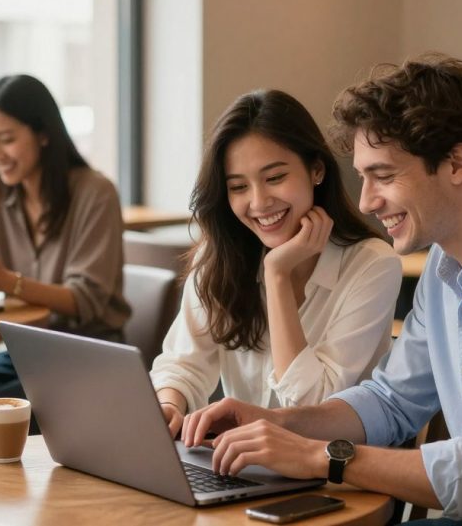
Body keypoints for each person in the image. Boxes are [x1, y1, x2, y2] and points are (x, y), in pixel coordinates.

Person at [181, 54, 462, 525]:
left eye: (383, 175)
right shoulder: (446, 263)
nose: (366, 201)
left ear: (457, 162)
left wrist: (321, 457)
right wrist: (274, 422)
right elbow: (390, 401)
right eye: (363, 176)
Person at [150, 89, 401, 437]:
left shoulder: (372, 265)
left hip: (336, 473)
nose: (259, 202)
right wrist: (169, 405)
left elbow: (310, 409)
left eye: (275, 178)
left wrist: (277, 275)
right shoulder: (219, 256)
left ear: (316, 170)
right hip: (241, 466)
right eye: (238, 187)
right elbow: (183, 364)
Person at [0, 74, 130, 452]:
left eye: (6, 139)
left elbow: (85, 300)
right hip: (24, 352)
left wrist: (5, 280)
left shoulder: (94, 192)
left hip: (87, 353)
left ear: (43, 133)